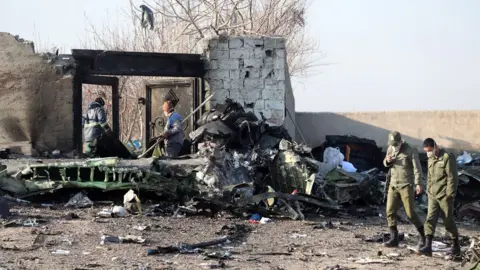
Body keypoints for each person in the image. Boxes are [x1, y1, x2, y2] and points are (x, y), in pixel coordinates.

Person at [383, 131, 425, 248]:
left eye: (396, 144)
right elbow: (385, 162)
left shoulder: (410, 150)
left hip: (406, 185)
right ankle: (394, 238)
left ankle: (423, 236)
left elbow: (417, 168)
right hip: (393, 184)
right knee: (389, 211)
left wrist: (418, 184)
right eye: (392, 144)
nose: (394, 147)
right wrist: (388, 161)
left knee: (410, 213)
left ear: (401, 142)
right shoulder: (390, 148)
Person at [418, 138, 460, 257]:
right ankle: (428, 246)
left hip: (444, 196)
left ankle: (456, 245)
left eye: (430, 150)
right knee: (429, 219)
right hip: (433, 195)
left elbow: (452, 178)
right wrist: (428, 190)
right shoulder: (430, 159)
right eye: (426, 151)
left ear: (435, 147)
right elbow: (430, 176)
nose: (428, 153)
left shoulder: (447, 157)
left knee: (448, 221)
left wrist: (450, 195)